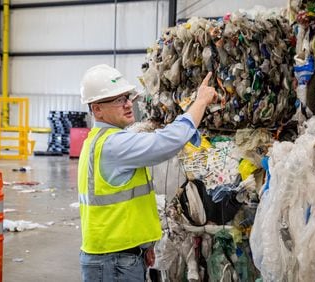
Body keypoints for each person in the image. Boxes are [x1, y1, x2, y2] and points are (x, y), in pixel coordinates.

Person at [78, 64, 217, 282]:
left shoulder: (101, 141)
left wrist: (143, 247)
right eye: (117, 100)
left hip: (120, 256)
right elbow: (166, 142)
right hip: (113, 262)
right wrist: (199, 102)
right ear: (97, 109)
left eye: (127, 97)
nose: (127, 104)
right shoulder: (113, 145)